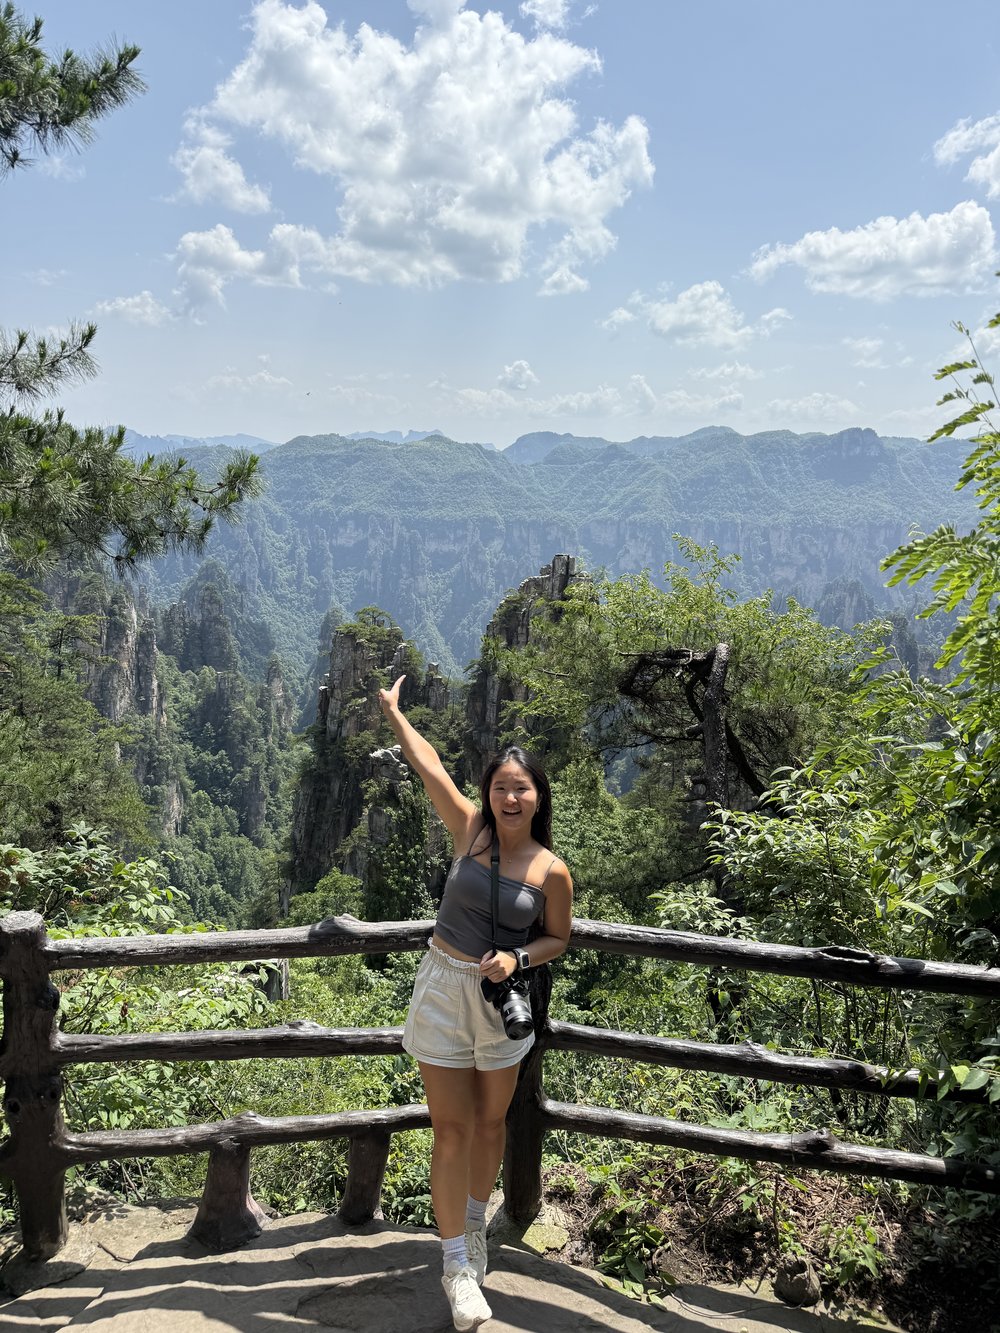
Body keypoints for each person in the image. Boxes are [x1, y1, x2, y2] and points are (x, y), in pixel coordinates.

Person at [378, 674, 573, 1332]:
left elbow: (558, 936)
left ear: (537, 795)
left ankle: (476, 1226)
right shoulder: (469, 831)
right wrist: (394, 714)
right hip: (442, 989)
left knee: (491, 1125)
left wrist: (520, 957)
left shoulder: (551, 869)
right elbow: (429, 764)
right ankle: (457, 1264)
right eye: (500, 786)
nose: (509, 796)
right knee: (452, 1128)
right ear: (489, 793)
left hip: (500, 1000)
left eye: (521, 787)